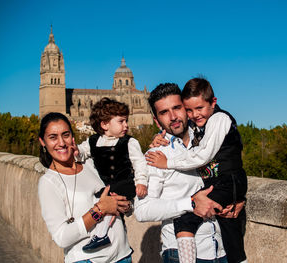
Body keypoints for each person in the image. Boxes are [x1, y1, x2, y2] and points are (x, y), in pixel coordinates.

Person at [135, 83, 242, 263]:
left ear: (186, 108)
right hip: (180, 253)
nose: (173, 117)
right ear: (156, 120)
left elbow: (230, 168)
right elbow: (142, 211)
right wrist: (190, 203)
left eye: (177, 108)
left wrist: (237, 197)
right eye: (164, 112)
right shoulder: (155, 157)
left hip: (220, 249)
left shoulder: (208, 139)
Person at [38, 112, 133, 263]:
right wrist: (99, 210)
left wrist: (125, 205)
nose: (61, 142)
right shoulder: (49, 182)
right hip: (88, 260)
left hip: (123, 256)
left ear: (72, 137)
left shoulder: (90, 164)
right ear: (43, 142)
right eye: (53, 137)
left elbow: (121, 202)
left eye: (66, 135)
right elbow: (62, 237)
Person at [74, 97, 148, 251]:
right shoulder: (93, 141)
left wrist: (141, 182)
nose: (126, 125)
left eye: (126, 121)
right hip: (106, 186)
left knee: (107, 201)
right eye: (121, 121)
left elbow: (140, 163)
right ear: (104, 124)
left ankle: (101, 236)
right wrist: (75, 151)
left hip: (125, 184)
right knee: (100, 200)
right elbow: (81, 153)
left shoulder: (130, 142)